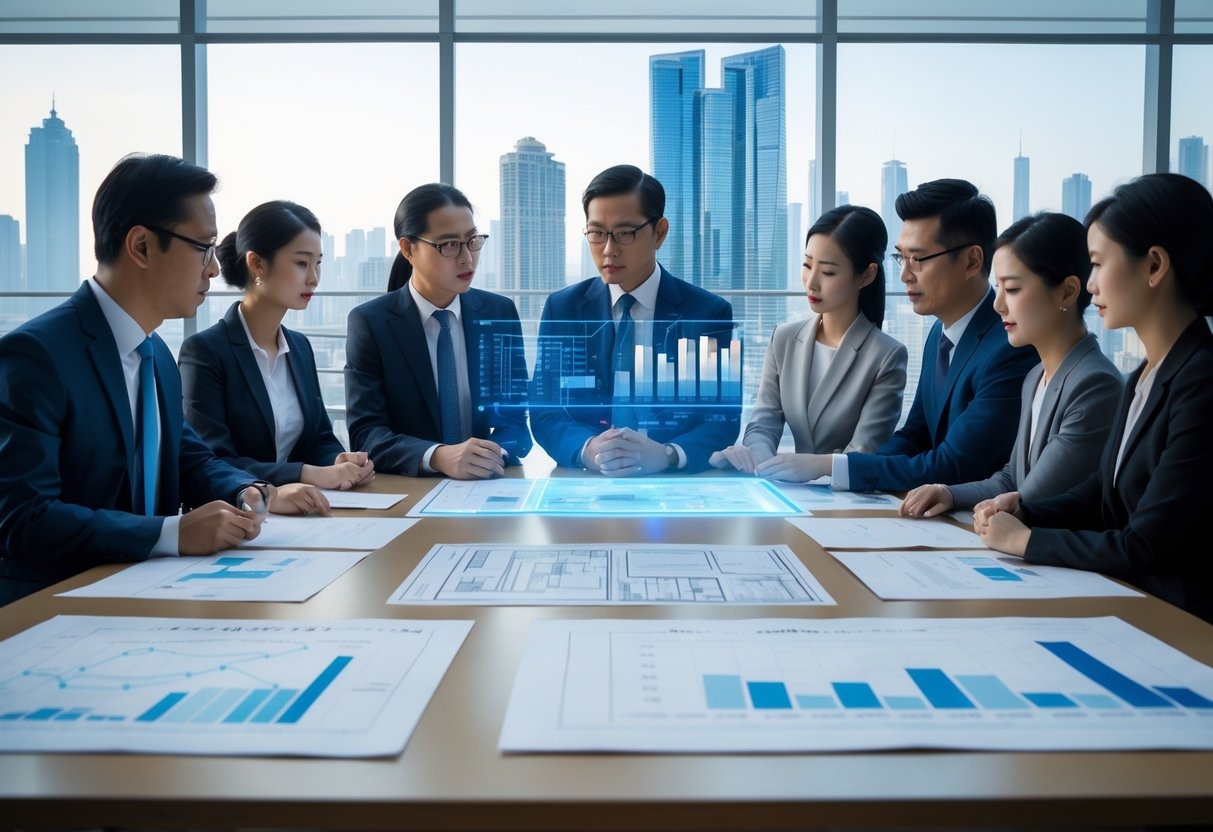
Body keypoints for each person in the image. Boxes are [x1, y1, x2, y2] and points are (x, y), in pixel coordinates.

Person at [0, 154, 307, 606]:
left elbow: (188, 458)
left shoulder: (154, 354)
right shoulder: (37, 356)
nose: (214, 269)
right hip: (57, 606)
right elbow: (23, 519)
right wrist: (172, 532)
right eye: (203, 247)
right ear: (141, 246)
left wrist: (241, 489)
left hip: (148, 594)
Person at [976, 173, 1213, 623]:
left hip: (1182, 624)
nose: (1090, 285)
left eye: (1099, 264)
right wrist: (1026, 509)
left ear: (1154, 266)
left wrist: (1025, 541)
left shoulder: (1202, 382)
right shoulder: (1143, 375)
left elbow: (1143, 543)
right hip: (1132, 605)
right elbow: (1103, 493)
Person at [764, 178, 1038, 489]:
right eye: (901, 257)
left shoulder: (1010, 346)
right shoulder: (940, 332)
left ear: (972, 260)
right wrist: (846, 469)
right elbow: (915, 435)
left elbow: (954, 463)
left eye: (918, 259)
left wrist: (829, 465)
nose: (905, 275)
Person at [900, 212, 1122, 518]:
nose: (997, 304)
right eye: (999, 288)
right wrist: (948, 493)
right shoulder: (1035, 377)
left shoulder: (1094, 384)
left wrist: (989, 505)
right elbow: (1011, 478)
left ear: (1068, 291)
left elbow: (1032, 495)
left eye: (1013, 289)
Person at [530, 164, 741, 475]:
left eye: (625, 233)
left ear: (660, 233)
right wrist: (589, 450)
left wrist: (669, 454)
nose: (608, 250)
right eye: (597, 233)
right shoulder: (563, 309)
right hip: (584, 482)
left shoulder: (707, 314)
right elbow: (546, 411)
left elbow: (721, 420)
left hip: (672, 487)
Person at [178, 201, 373, 510]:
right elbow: (214, 460)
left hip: (303, 514)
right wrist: (307, 473)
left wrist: (338, 460)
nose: (314, 278)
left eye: (318, 263)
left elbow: (319, 436)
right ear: (257, 264)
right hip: (235, 516)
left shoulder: (299, 347)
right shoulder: (204, 352)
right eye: (301, 263)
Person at [345, 183, 532, 478]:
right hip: (410, 489)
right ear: (408, 249)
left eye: (472, 241)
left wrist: (491, 455)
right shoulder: (371, 323)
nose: (467, 258)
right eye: (449, 245)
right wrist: (438, 456)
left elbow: (515, 422)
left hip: (489, 482)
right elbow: (366, 434)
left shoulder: (499, 313)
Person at [710, 205, 907, 477]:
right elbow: (763, 425)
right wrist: (763, 464)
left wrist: (809, 467)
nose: (811, 283)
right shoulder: (784, 338)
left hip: (848, 501)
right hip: (790, 491)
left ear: (866, 275)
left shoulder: (886, 355)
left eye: (828, 273)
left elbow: (864, 451)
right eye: (806, 265)